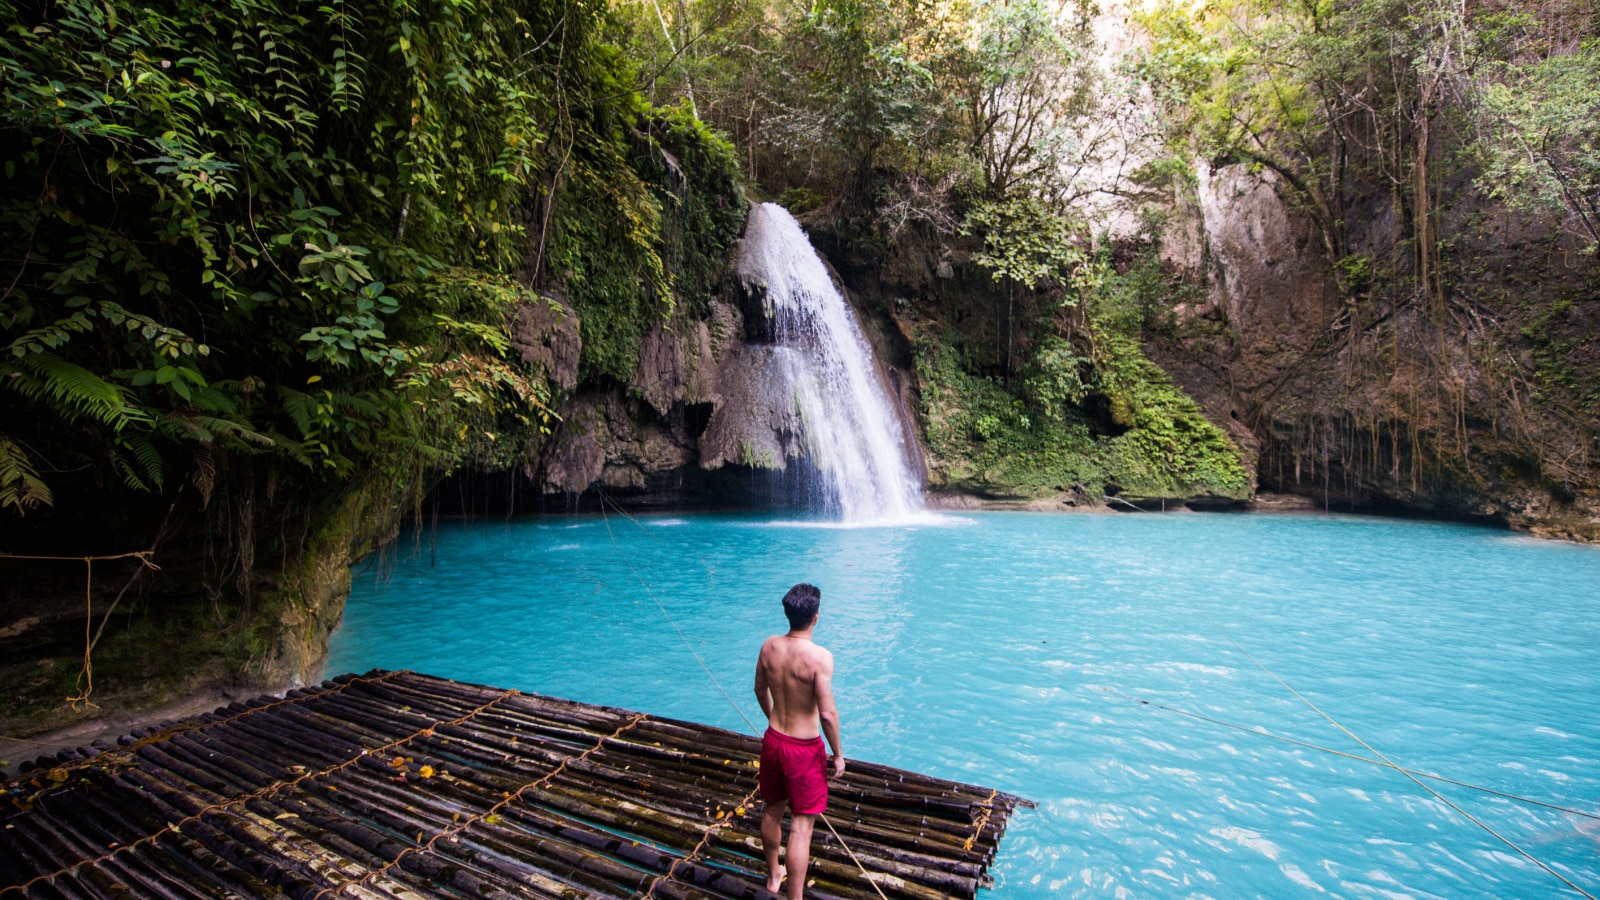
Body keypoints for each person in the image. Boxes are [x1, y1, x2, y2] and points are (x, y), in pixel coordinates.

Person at [753, 582, 845, 899]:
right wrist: (838, 755)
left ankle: (773, 875)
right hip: (803, 750)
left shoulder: (769, 646)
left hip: (774, 739)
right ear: (815, 617)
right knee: (802, 827)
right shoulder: (820, 658)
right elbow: (828, 714)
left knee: (772, 810)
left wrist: (772, 718)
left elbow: (758, 690)